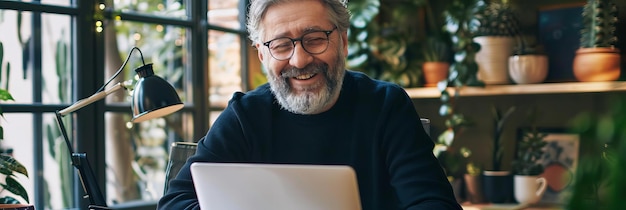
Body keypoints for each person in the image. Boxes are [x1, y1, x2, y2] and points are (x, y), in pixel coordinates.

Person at [157, 0, 461, 209]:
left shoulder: (386, 106)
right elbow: (176, 202)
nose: (299, 60)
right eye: (281, 45)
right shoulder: (244, 116)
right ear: (263, 55)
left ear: (342, 42)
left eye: (315, 38)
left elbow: (434, 203)